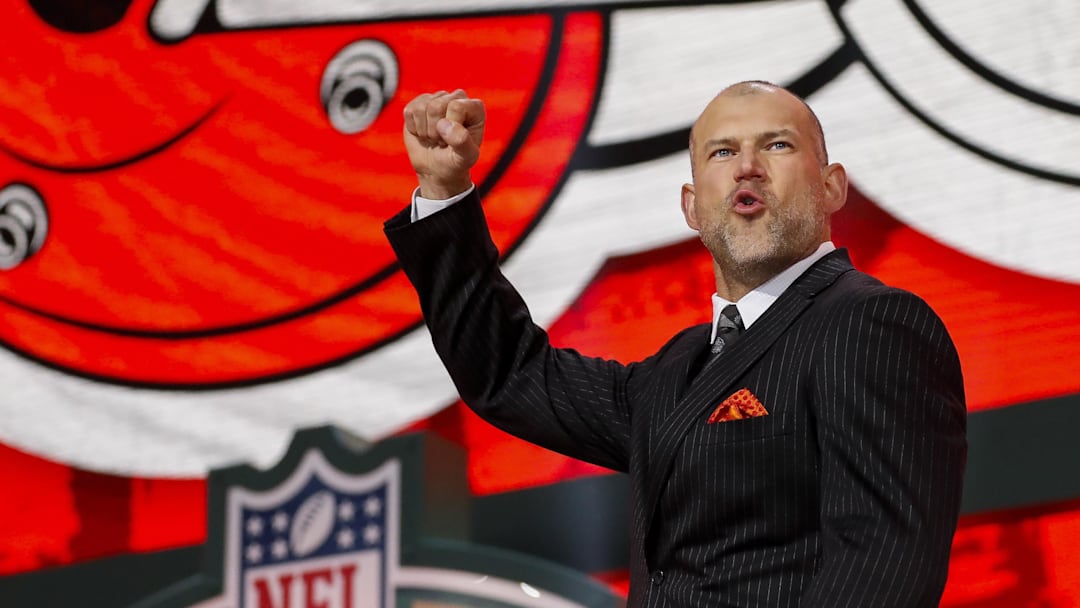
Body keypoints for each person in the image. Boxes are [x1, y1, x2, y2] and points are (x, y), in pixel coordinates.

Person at [384, 81, 967, 608]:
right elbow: (508, 373)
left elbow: (881, 568)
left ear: (833, 186)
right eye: (721, 152)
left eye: (778, 146)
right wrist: (444, 191)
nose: (747, 168)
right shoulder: (671, 371)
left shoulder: (871, 323)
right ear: (691, 206)